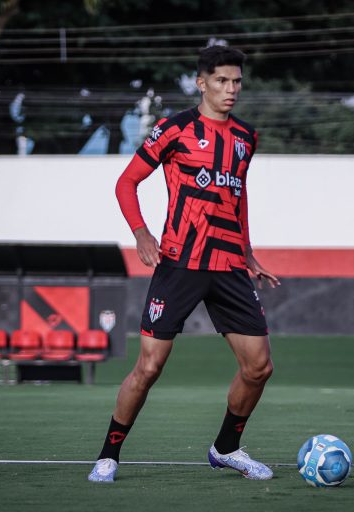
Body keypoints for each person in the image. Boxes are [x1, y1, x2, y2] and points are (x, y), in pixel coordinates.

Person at [88, 45, 280, 484]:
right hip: (179, 263)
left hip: (229, 265)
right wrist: (140, 233)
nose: (231, 90)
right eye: (221, 81)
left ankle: (226, 449)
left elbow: (238, 196)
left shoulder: (246, 137)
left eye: (236, 82)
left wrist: (248, 252)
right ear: (201, 82)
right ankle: (109, 454)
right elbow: (126, 182)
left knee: (259, 366)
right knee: (149, 367)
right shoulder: (173, 130)